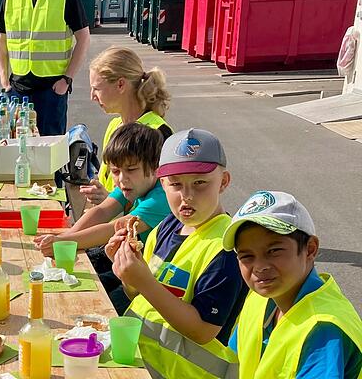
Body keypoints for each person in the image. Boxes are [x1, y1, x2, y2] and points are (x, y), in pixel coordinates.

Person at [105, 128, 246, 378]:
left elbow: (203, 330)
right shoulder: (167, 227)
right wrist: (126, 272)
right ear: (162, 183)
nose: (187, 196)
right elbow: (137, 294)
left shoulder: (226, 247)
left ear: (223, 182)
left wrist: (144, 282)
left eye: (200, 183)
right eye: (176, 185)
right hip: (139, 361)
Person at [222, 191, 362, 378]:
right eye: (246, 256)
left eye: (274, 250)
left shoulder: (321, 327)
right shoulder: (259, 300)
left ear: (310, 249)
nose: (260, 267)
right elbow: (230, 364)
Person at [33, 123, 170, 313]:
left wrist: (62, 241)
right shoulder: (134, 184)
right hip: (131, 266)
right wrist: (66, 237)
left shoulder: (161, 197)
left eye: (131, 169)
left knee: (98, 308)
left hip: (153, 281)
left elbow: (113, 228)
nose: (122, 178)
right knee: (80, 285)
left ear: (155, 168)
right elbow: (102, 211)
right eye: (115, 171)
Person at [0, 0, 91, 136]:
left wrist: (67, 79)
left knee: (50, 156)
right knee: (16, 152)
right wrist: (4, 81)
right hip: (17, 90)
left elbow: (83, 38)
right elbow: (1, 40)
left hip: (51, 91)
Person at [82, 46, 173, 206]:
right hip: (114, 226)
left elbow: (162, 204)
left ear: (121, 84)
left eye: (96, 88)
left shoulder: (158, 133)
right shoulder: (115, 125)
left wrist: (109, 201)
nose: (92, 97)